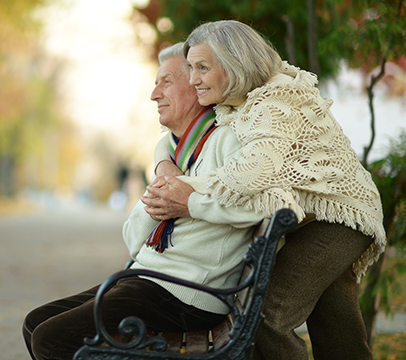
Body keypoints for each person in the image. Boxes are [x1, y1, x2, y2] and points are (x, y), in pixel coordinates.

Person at [145, 20, 386, 360]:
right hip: (312, 217)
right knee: (337, 326)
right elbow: (175, 136)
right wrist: (164, 165)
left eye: (202, 67)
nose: (193, 78)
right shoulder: (236, 101)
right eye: (190, 68)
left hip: (338, 217)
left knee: (268, 317)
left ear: (233, 63)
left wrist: (185, 194)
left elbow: (250, 173)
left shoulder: (276, 103)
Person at [22, 42, 264, 360]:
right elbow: (133, 240)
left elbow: (251, 205)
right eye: (155, 83)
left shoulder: (225, 141)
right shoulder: (176, 150)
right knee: (34, 323)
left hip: (186, 293)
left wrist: (184, 199)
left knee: (51, 340)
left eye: (166, 82)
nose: (154, 94)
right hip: (150, 279)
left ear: (194, 86)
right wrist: (163, 174)